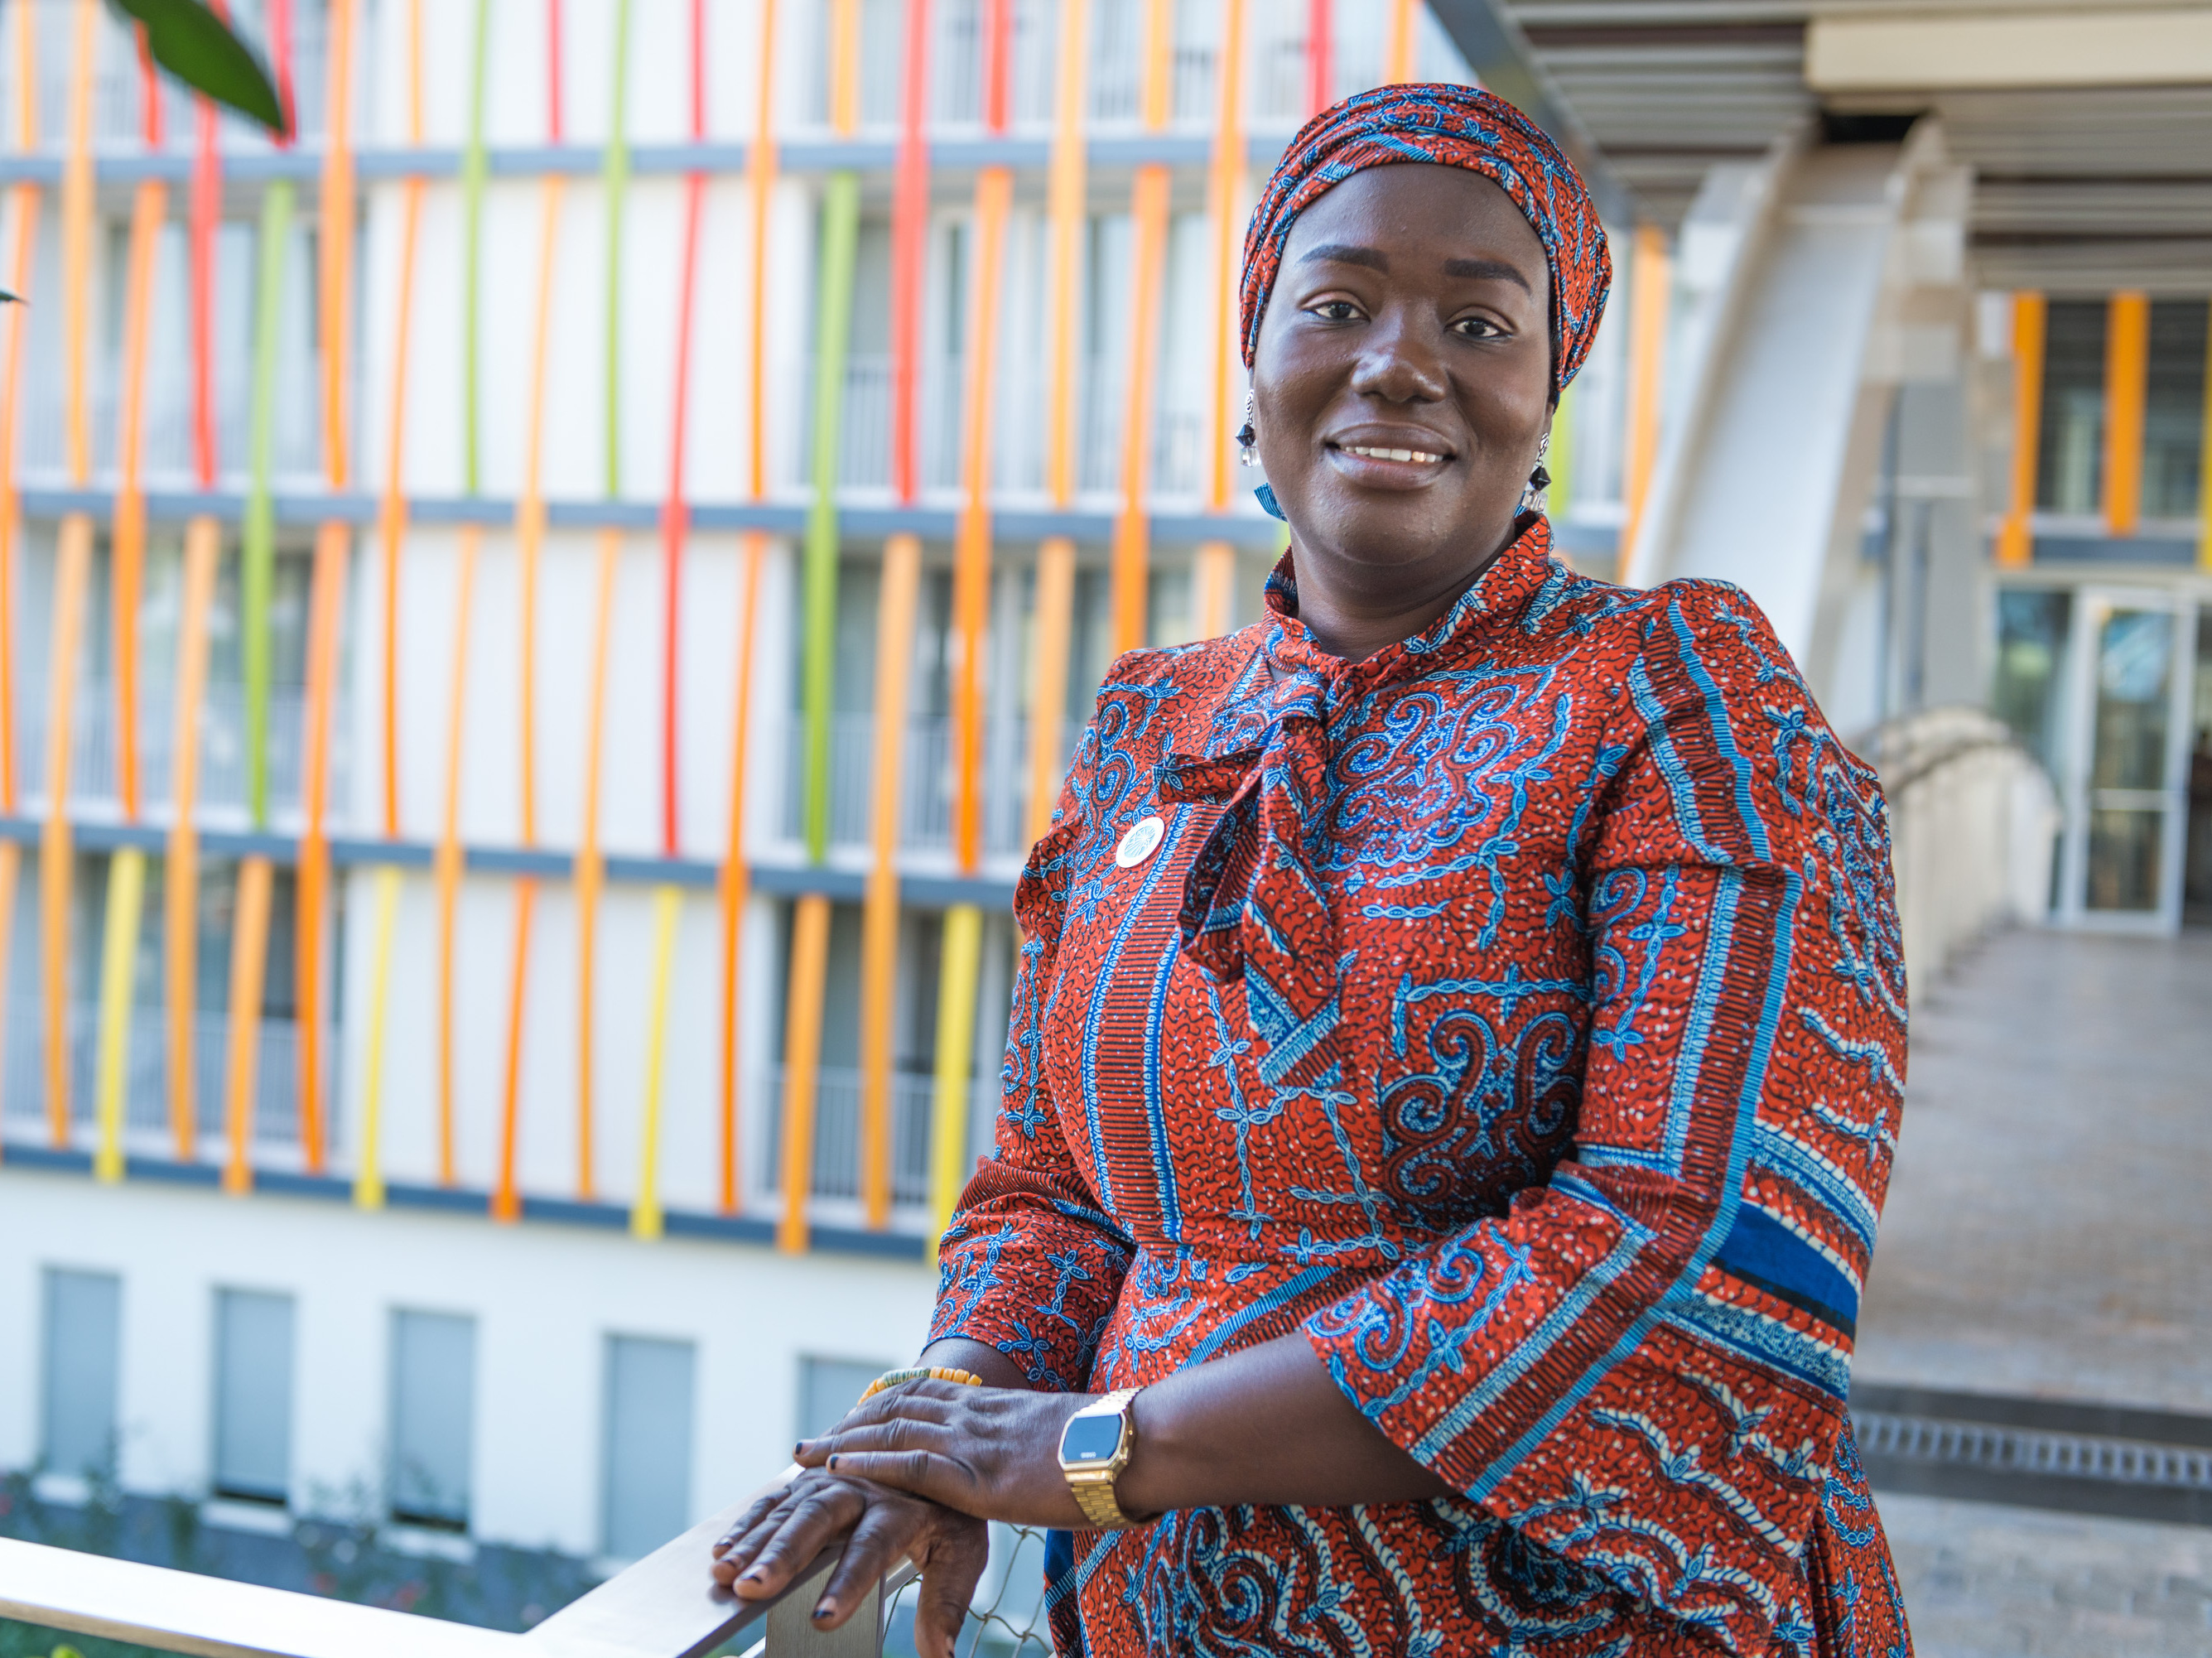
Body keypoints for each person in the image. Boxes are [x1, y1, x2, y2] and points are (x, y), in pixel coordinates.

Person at [715, 84, 1911, 1657]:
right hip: (1150, 1620)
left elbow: (1696, 1240)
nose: (1401, 361)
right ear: (1256, 361)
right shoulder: (1156, 720)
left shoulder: (1680, 698)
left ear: (1547, 391)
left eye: (1479, 323)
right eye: (1337, 303)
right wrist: (945, 1419)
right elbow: (1051, 1185)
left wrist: (1088, 1452)